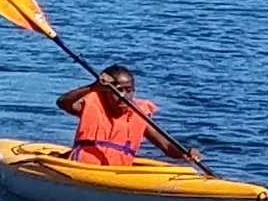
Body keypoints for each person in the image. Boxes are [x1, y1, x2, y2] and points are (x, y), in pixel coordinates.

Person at [54, 63, 198, 168]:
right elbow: (63, 102)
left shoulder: (139, 115)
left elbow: (166, 146)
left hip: (118, 174)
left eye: (128, 90)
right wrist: (93, 87)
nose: (123, 96)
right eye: (118, 90)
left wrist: (185, 152)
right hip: (82, 170)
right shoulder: (93, 105)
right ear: (105, 92)